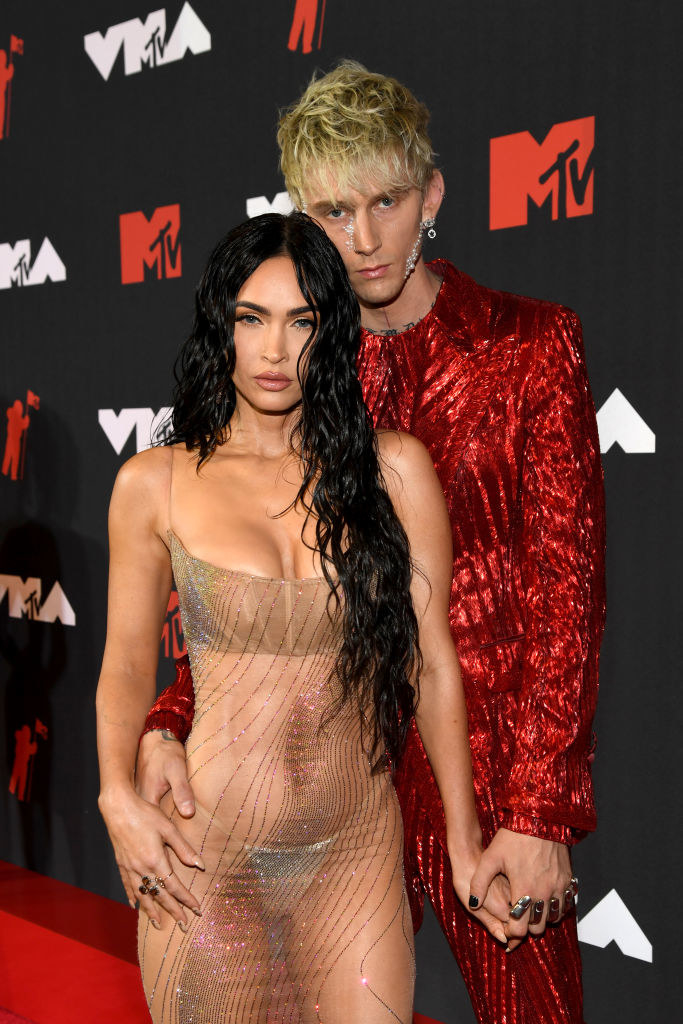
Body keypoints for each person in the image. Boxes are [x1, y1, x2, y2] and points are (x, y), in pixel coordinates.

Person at [136, 64, 606, 1022]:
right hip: (321, 774)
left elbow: (569, 592)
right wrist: (168, 718)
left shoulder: (529, 347)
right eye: (332, 211)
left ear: (429, 195)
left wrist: (536, 809)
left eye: (385, 201)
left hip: (488, 766)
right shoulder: (290, 367)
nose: (361, 238)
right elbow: (253, 578)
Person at [96, 212, 506, 1023]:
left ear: (333, 332)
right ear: (222, 328)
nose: (275, 351)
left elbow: (430, 663)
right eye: (252, 319)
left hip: (353, 850)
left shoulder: (394, 470)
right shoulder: (155, 482)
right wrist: (117, 798)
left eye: (301, 321)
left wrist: (464, 838)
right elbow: (123, 665)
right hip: (207, 855)